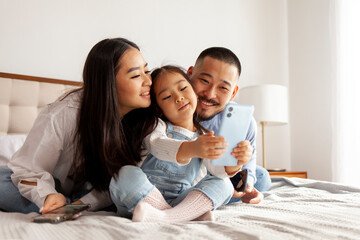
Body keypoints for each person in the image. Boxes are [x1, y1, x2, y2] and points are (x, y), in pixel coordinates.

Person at [0, 38, 153, 214]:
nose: (148, 81)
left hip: (92, 192)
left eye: (147, 71)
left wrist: (77, 206)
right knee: (4, 182)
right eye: (135, 75)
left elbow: (114, 185)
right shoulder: (62, 115)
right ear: (108, 82)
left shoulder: (146, 124)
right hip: (46, 184)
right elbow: (28, 170)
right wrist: (48, 196)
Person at [110, 66, 248, 223]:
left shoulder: (203, 136)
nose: (178, 97)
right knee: (124, 173)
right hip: (140, 198)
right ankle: (184, 215)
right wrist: (192, 148)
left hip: (180, 200)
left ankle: (166, 216)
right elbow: (157, 144)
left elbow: (217, 171)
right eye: (167, 97)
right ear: (159, 109)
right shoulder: (156, 125)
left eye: (183, 88)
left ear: (194, 92)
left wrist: (235, 163)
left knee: (224, 184)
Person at [187, 47, 272, 204]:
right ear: (190, 74)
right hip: (180, 176)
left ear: (233, 93)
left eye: (223, 88)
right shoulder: (172, 106)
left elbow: (248, 167)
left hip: (221, 177)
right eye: (204, 81)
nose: (210, 94)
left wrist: (248, 188)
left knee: (262, 176)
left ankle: (216, 195)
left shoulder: (243, 122)